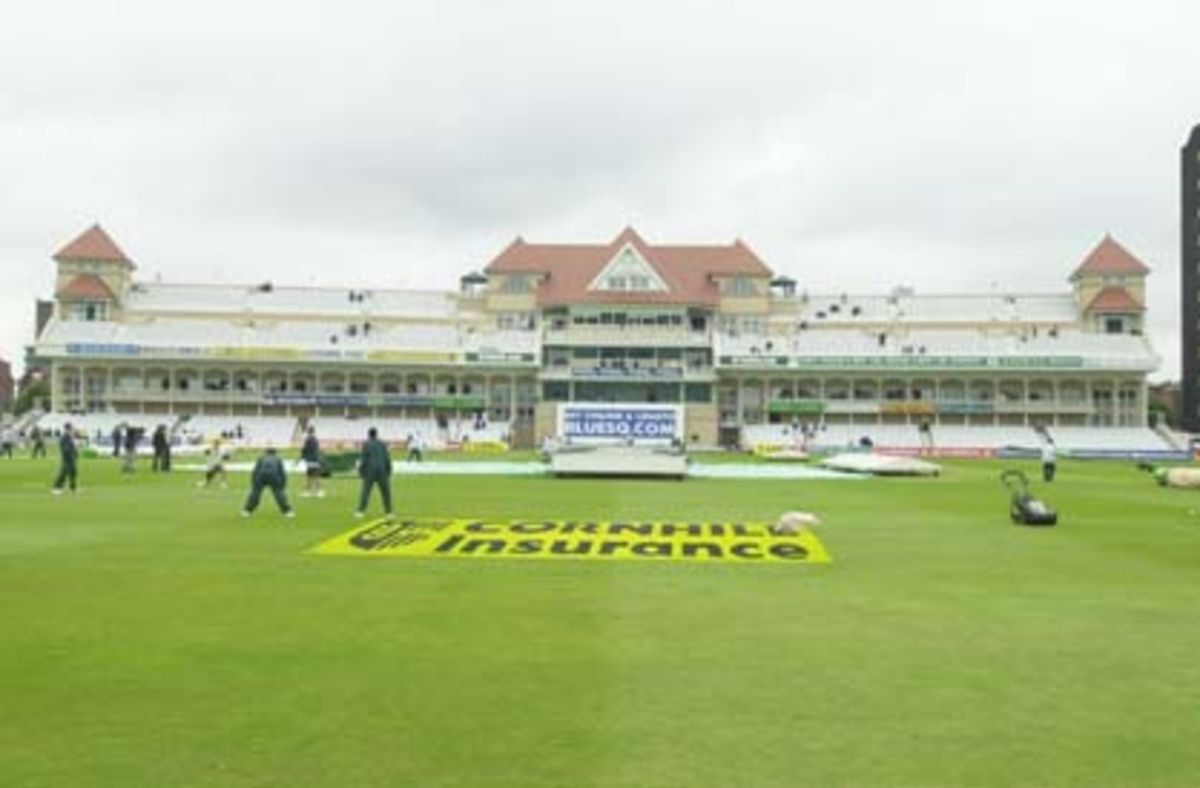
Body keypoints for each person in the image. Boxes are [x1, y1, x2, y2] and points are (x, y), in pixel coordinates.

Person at [241, 447, 294, 518]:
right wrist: (283, 484)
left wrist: (253, 482)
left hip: (261, 476)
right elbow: (282, 472)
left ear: (266, 452)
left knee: (255, 494)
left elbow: (255, 471)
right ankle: (287, 512)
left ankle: (247, 511)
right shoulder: (278, 459)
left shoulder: (261, 458)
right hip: (274, 477)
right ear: (275, 453)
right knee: (279, 494)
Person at [356, 427, 394, 520]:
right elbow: (387, 458)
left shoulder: (366, 444)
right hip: (382, 470)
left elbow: (363, 459)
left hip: (370, 470)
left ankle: (361, 511)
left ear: (368, 434)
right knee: (386, 493)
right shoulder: (383, 444)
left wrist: (361, 472)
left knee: (366, 492)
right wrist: (389, 470)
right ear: (376, 434)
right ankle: (389, 512)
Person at [52, 423, 79, 494]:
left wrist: (76, 454)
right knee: (64, 473)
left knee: (73, 472)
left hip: (72, 458)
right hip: (67, 458)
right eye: (71, 428)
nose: (72, 430)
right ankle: (56, 488)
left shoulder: (70, 437)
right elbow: (65, 449)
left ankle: (72, 488)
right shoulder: (64, 437)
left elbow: (73, 447)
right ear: (67, 429)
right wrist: (70, 454)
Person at [300, 427, 324, 498]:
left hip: (311, 459)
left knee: (309, 476)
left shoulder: (308, 439)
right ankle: (319, 491)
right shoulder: (316, 439)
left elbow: (305, 449)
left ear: (308, 431)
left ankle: (308, 492)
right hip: (316, 459)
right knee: (317, 476)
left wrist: (301, 457)